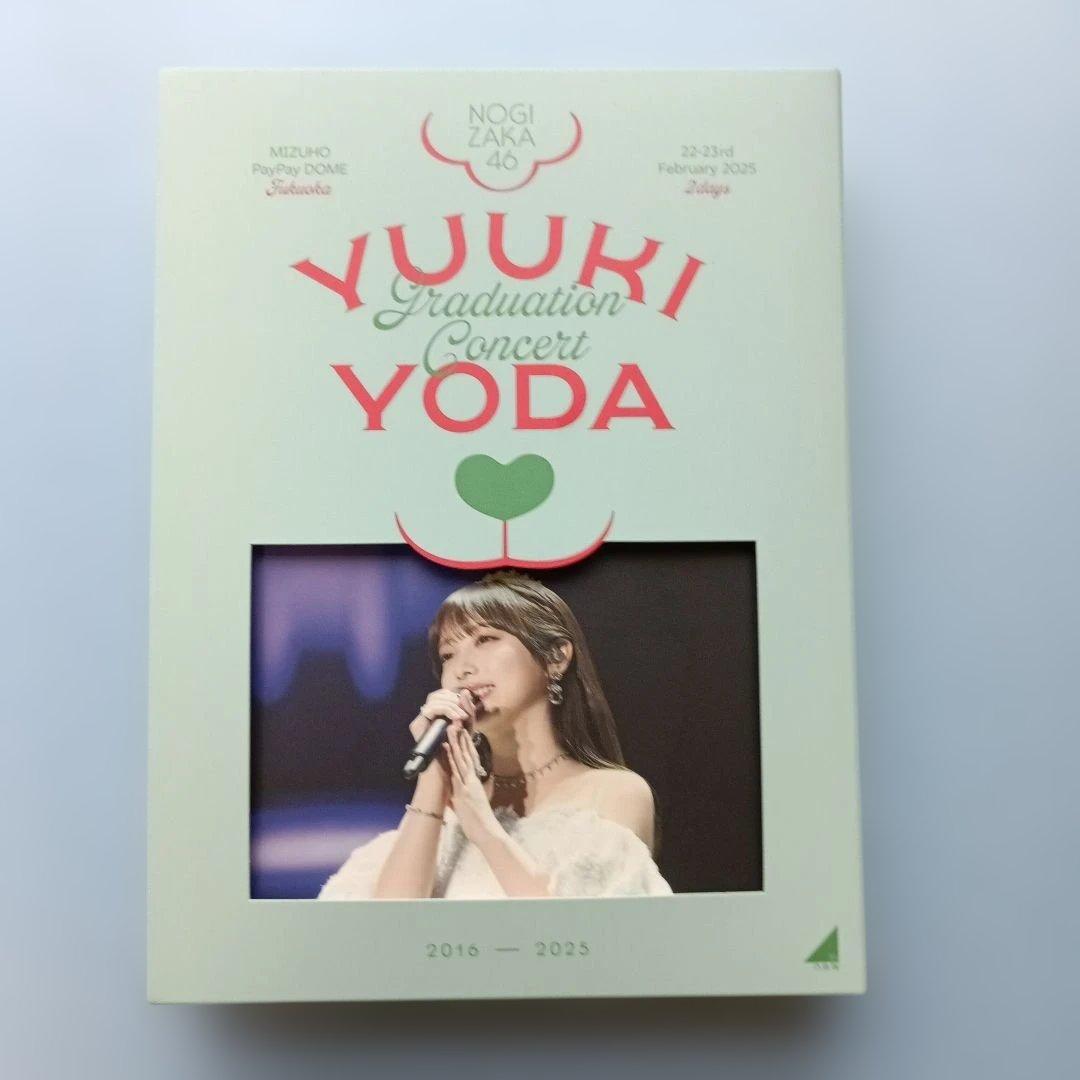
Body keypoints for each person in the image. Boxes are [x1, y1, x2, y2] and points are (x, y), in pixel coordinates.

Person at [318, 570, 672, 899]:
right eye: (448, 654)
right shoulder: (443, 807)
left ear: (556, 657)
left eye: (485, 639)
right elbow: (385, 928)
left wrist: (485, 830)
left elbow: (585, 930)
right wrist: (432, 782)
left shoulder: (614, 793)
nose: (462, 668)